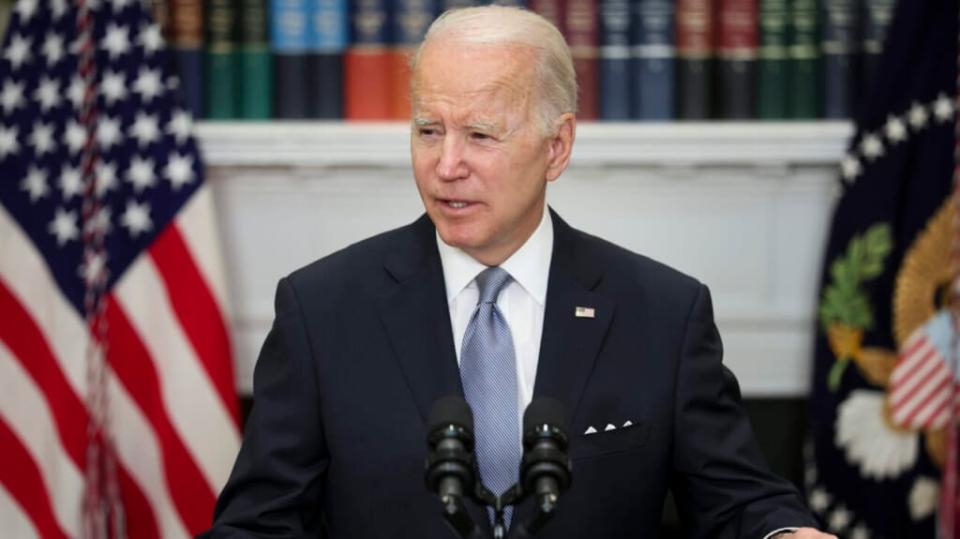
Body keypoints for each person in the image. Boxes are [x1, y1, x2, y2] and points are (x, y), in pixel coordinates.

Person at [204, 6, 835, 538]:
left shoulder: (662, 313)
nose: (445, 164)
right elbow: (258, 522)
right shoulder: (322, 310)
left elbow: (739, 500)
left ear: (556, 146)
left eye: (480, 135)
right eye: (429, 130)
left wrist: (783, 533)